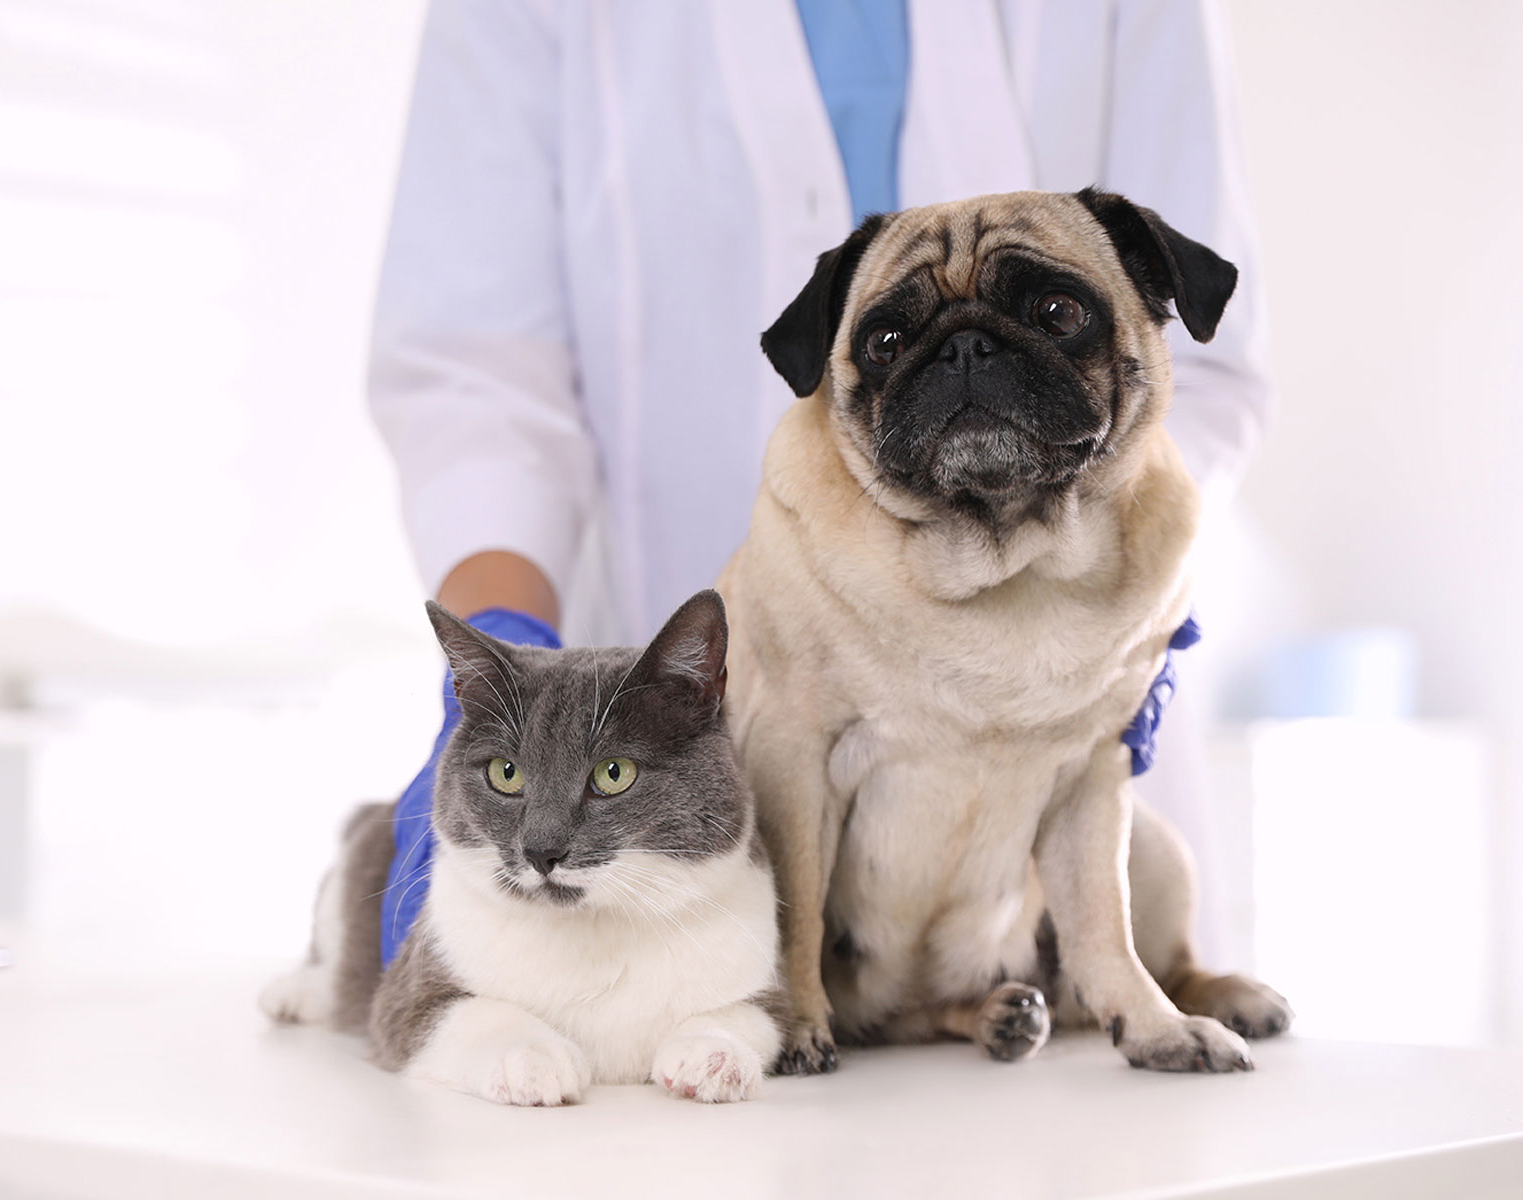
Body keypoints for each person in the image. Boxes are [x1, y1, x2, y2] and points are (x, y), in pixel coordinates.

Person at [368, 0, 1270, 967]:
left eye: (1046, 312)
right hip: (653, 773)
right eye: (896, 343)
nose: (963, 358)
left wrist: (1133, 610)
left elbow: (1198, 345)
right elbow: (477, 378)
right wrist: (507, 660)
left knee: (1084, 1089)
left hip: (1054, 795)